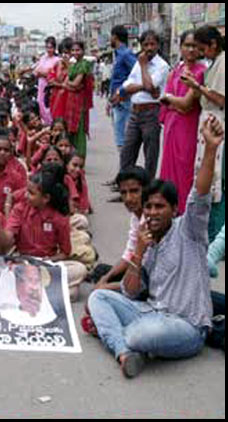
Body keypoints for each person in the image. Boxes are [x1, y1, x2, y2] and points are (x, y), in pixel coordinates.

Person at [88, 115, 224, 379]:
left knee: (140, 334)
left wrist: (210, 148)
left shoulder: (189, 229)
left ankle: (117, 336)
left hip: (186, 325)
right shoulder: (145, 238)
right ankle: (123, 352)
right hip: (150, 310)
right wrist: (139, 252)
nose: (152, 213)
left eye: (159, 206)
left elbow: (201, 194)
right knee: (98, 297)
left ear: (174, 210)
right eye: (148, 207)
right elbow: (130, 292)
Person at [0, 170, 88, 303]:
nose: (26, 195)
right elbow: (7, 241)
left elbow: (65, 252)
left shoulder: (59, 218)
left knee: (80, 270)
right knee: (72, 293)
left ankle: (27, 289)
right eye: (27, 191)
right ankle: (45, 290)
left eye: (31, 193)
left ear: (46, 198)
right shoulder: (20, 209)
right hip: (22, 263)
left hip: (45, 266)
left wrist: (47, 260)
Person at [182, 25, 225, 242]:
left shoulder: (223, 63)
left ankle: (217, 234)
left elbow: (221, 99)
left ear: (213, 45)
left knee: (216, 177)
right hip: (210, 120)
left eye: (201, 48)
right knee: (207, 174)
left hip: (218, 122)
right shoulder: (214, 63)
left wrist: (197, 87)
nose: (199, 52)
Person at [159, 30, 207, 215]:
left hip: (188, 127)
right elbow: (173, 101)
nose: (191, 49)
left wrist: (170, 100)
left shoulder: (201, 72)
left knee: (185, 167)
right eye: (187, 45)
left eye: (195, 46)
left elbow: (186, 104)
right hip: (172, 127)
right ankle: (168, 209)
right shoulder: (176, 71)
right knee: (169, 168)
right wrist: (173, 102)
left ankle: (184, 213)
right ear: (180, 47)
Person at [118, 30, 170, 180]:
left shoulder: (161, 65)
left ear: (158, 45)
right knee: (127, 152)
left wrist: (143, 67)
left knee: (150, 154)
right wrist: (145, 87)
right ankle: (126, 186)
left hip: (151, 112)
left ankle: (148, 189)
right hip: (135, 113)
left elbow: (150, 85)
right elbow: (127, 86)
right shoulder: (138, 62)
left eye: (152, 44)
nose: (149, 47)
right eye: (145, 44)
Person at [95, 167, 151, 290]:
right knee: (101, 273)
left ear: (146, 191)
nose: (128, 198)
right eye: (124, 193)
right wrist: (106, 278)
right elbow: (129, 254)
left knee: (100, 294)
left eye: (134, 191)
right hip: (137, 266)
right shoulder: (136, 217)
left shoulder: (151, 220)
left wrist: (107, 287)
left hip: (148, 277)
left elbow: (144, 271)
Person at [0, 262, 58, 326]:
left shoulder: (48, 316)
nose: (34, 286)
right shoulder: (8, 314)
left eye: (37, 280)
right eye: (30, 280)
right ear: (18, 284)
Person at [108, 26, 137, 155]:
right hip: (116, 101)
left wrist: (122, 92)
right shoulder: (118, 55)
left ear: (115, 36)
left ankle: (126, 168)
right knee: (119, 137)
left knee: (124, 139)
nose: (110, 39)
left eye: (111, 36)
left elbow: (137, 74)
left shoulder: (126, 54)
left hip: (124, 100)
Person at [63, 41, 94, 159]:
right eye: (73, 50)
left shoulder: (84, 65)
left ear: (83, 51)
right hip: (71, 101)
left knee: (79, 131)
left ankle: (79, 158)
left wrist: (70, 85)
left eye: (78, 50)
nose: (75, 53)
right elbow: (68, 84)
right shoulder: (74, 65)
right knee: (70, 130)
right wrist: (71, 85)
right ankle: (71, 157)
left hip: (79, 102)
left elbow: (75, 84)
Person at [35, 37, 60, 125]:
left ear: (54, 48)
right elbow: (36, 71)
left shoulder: (57, 60)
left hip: (50, 86)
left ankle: (52, 123)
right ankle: (46, 123)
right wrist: (43, 73)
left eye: (51, 47)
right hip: (41, 85)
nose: (49, 50)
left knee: (48, 105)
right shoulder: (43, 57)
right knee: (39, 103)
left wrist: (43, 73)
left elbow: (51, 74)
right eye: (47, 47)